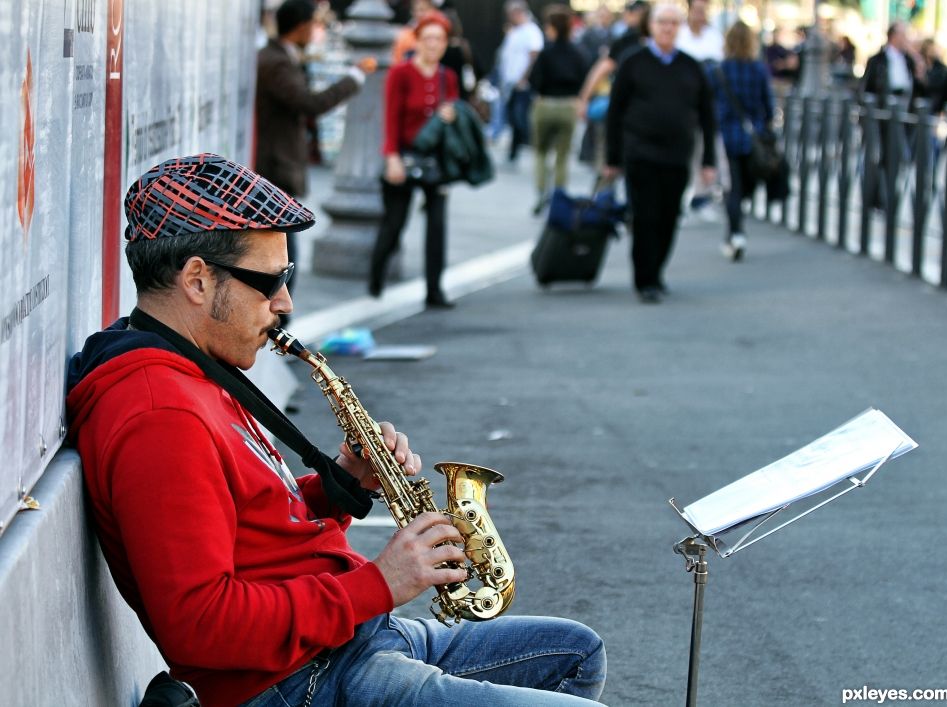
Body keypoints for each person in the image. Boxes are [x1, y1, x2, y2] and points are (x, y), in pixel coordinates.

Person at [65, 153, 607, 707]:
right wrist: (380, 582)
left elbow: (241, 519)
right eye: (269, 281)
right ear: (198, 281)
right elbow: (201, 624)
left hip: (344, 643)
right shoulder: (161, 414)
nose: (285, 303)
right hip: (300, 681)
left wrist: (342, 483)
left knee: (576, 651)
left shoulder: (194, 369)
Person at [255, 0, 375, 301]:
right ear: (300, 27)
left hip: (279, 161)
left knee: (283, 240)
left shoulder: (283, 57)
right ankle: (280, 317)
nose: (317, 30)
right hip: (276, 164)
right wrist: (354, 78)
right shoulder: (276, 62)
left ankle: (279, 315)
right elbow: (310, 104)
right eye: (314, 24)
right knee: (283, 243)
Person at [604, 2, 716, 304]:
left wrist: (709, 162)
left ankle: (657, 271)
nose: (667, 28)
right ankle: (645, 279)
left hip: (677, 154)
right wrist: (612, 158)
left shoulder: (691, 67)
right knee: (644, 216)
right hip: (640, 153)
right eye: (662, 22)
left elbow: (707, 115)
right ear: (650, 26)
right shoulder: (633, 62)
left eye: (673, 23)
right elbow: (615, 112)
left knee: (668, 216)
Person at [369, 10, 460, 308]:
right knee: (394, 223)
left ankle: (435, 290)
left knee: (437, 226)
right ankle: (375, 280)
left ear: (446, 43)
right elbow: (391, 117)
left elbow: (455, 124)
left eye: (439, 39)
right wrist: (391, 157)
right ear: (417, 41)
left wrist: (451, 117)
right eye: (428, 38)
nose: (434, 44)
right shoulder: (401, 73)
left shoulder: (449, 77)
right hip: (404, 156)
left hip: (436, 161)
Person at [710, 21, 774, 262]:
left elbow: (709, 103)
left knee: (733, 187)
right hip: (752, 136)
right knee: (745, 185)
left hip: (726, 135)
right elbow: (767, 106)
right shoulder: (757, 70)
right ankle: (736, 230)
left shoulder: (719, 70)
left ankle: (735, 232)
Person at [528, 5, 589, 214]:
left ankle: (541, 190)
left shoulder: (546, 52)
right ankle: (559, 193)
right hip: (568, 106)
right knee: (563, 155)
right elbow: (584, 78)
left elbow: (534, 79)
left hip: (545, 104)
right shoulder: (578, 52)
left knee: (540, 152)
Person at [576, 0, 650, 170]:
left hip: (637, 115)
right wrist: (584, 99)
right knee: (610, 164)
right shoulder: (627, 39)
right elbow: (603, 68)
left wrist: (584, 99)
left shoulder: (632, 40)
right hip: (623, 110)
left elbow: (602, 68)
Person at [677, 0, 724, 223]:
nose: (700, 15)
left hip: (706, 102)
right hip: (681, 102)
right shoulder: (681, 34)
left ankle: (700, 198)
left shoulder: (714, 37)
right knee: (682, 151)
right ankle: (680, 198)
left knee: (704, 148)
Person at [498, 1, 545, 163]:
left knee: (520, 116)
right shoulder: (515, 31)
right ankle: (514, 150)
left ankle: (532, 145)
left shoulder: (531, 31)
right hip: (511, 82)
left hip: (522, 83)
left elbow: (535, 54)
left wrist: (525, 78)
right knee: (513, 116)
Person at [860, 22, 925, 110]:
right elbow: (868, 85)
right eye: (903, 35)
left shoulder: (908, 59)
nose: (905, 38)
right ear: (894, 36)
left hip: (904, 101)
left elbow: (918, 78)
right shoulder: (878, 60)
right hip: (884, 103)